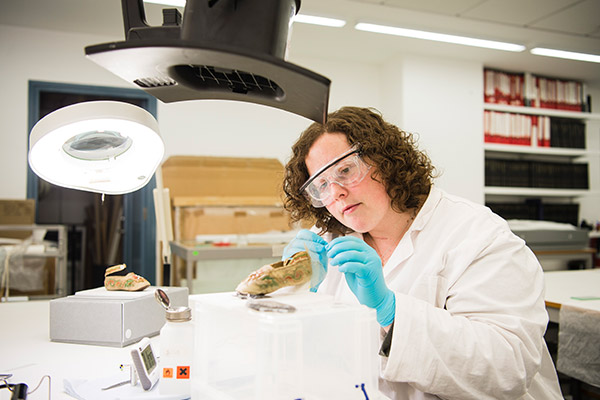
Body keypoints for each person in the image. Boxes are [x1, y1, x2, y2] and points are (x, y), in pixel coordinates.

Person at [281, 106, 563, 400]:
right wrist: (298, 292)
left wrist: (391, 312)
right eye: (321, 185)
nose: (335, 192)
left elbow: (508, 368)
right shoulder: (326, 243)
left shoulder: (477, 235)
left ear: (384, 160)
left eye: (346, 170)